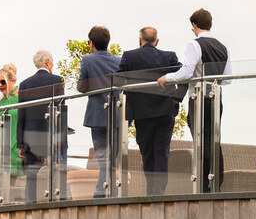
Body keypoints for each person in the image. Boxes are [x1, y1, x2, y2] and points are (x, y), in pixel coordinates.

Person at [157, 8, 230, 193]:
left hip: (199, 98)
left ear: (194, 25)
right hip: (216, 99)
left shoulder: (194, 44)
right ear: (210, 24)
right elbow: (228, 78)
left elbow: (187, 72)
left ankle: (204, 184)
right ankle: (216, 182)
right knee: (214, 140)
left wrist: (167, 77)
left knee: (200, 139)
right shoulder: (223, 47)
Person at [116, 27, 185, 196]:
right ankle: (158, 192)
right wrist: (177, 97)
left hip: (142, 114)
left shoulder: (129, 57)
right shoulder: (169, 57)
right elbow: (186, 75)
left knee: (147, 154)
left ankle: (151, 191)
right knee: (162, 152)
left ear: (140, 40)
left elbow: (117, 80)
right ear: (157, 41)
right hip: (165, 112)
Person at [17, 50, 66, 203]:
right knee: (54, 169)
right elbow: (60, 110)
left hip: (31, 137)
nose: (52, 65)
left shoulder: (24, 84)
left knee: (32, 173)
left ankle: (30, 202)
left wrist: (20, 144)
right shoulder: (58, 80)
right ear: (47, 62)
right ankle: (55, 199)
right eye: (52, 62)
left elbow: (21, 115)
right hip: (51, 135)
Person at [78, 25, 121, 198]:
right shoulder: (119, 60)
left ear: (91, 43)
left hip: (97, 116)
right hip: (117, 115)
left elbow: (81, 87)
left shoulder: (87, 60)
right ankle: (110, 191)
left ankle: (101, 192)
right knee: (111, 159)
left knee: (103, 158)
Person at [0, 63, 23, 181]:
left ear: (12, 80)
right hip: (1, 145)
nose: (0, 85)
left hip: (16, 144)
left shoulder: (21, 95)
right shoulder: (0, 100)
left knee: (14, 182)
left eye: (3, 82)